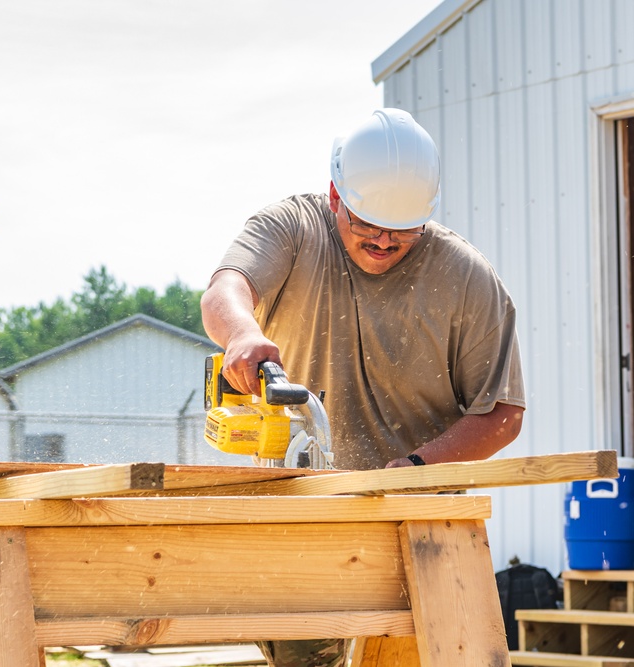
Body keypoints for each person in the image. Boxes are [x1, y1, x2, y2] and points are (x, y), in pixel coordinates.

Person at [200, 109, 526, 667]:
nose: (382, 239)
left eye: (402, 227)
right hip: (300, 520)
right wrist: (244, 334)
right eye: (366, 221)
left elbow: (502, 413)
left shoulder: (466, 278)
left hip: (419, 527)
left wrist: (416, 470)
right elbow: (225, 291)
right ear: (334, 195)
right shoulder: (293, 229)